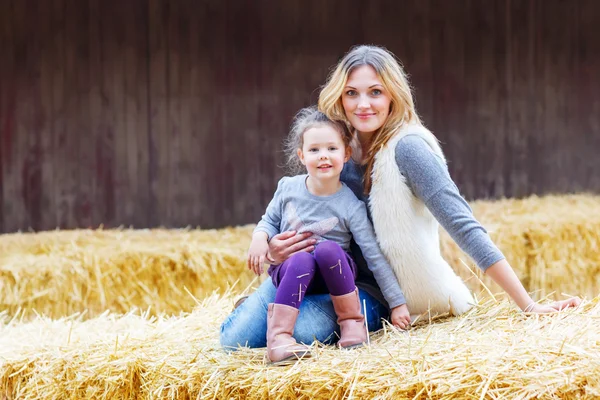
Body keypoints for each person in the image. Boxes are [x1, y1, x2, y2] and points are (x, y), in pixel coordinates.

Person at [220, 45, 581, 350]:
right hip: (312, 273)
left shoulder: (408, 150)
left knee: (299, 333)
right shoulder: (335, 147)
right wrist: (274, 250)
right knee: (232, 340)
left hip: (370, 292)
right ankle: (254, 309)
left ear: (393, 93)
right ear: (339, 97)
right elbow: (299, 212)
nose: (363, 104)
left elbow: (463, 225)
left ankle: (269, 311)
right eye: (352, 93)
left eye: (375, 92)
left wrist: (528, 305)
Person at [247, 107, 410, 363]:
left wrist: (397, 302)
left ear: (346, 154)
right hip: (293, 273)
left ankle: (352, 325)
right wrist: (260, 239)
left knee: (328, 250)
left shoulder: (350, 204)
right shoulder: (287, 188)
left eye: (331, 149)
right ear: (301, 155)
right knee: (301, 260)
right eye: (314, 150)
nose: (323, 156)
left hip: (334, 277)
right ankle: (279, 341)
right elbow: (268, 221)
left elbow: (373, 255)